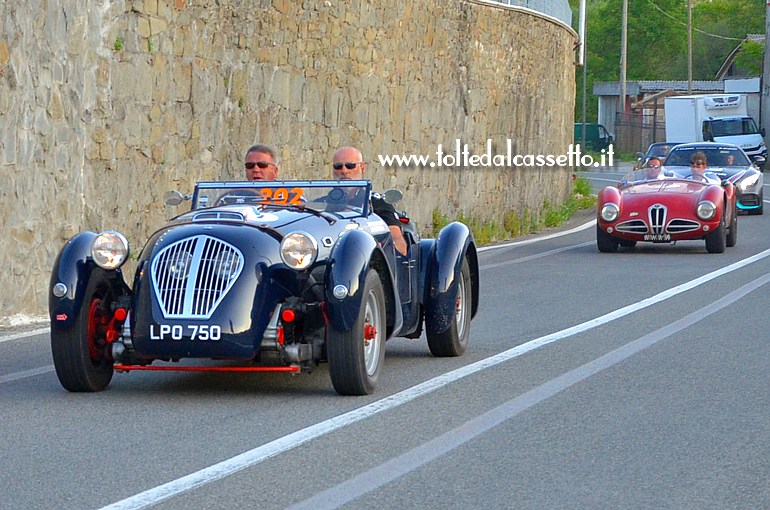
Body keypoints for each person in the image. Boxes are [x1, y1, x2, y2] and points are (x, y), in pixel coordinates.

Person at [332, 146, 408, 256]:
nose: (344, 171)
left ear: (362, 168)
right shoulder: (322, 204)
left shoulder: (377, 202)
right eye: (338, 166)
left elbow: (397, 241)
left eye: (350, 165)